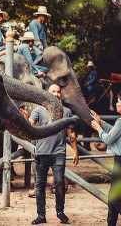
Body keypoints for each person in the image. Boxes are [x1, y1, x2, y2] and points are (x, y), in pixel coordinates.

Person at [29, 84, 79, 225]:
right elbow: (30, 126)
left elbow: (71, 133)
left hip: (59, 153)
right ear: (47, 94)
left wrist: (76, 151)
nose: (56, 94)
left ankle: (60, 212)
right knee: (39, 185)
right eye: (53, 92)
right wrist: (26, 119)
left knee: (59, 183)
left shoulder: (66, 111)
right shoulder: (38, 110)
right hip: (41, 153)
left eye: (58, 92)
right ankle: (41, 215)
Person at [90, 92, 121, 226]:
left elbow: (108, 138)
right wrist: (101, 122)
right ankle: (111, 224)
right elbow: (114, 131)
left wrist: (98, 128)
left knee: (116, 199)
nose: (115, 104)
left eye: (118, 102)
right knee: (114, 197)